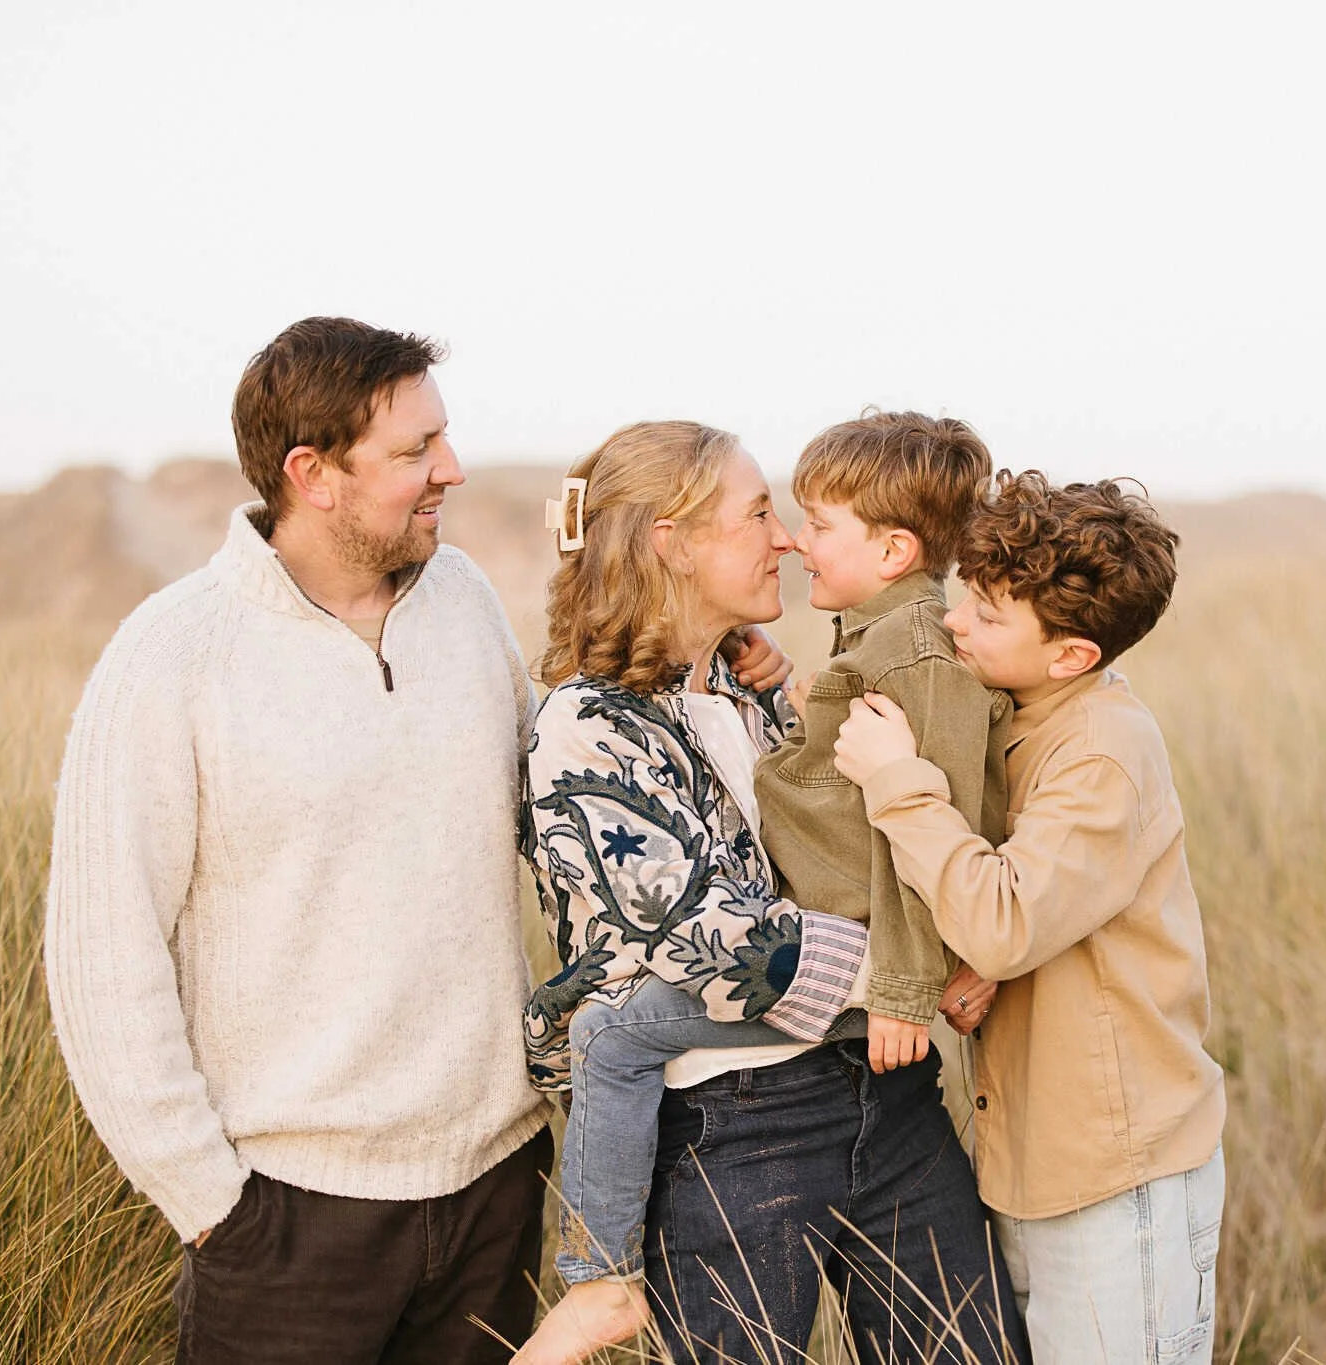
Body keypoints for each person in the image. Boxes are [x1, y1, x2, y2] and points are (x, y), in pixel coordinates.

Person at [41, 317, 788, 1364]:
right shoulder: (172, 656)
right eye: (414, 453)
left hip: (494, 1185)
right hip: (289, 1220)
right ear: (314, 474)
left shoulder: (466, 600)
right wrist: (210, 1202)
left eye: (442, 438)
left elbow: (577, 799)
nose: (452, 469)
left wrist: (718, 667)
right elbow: (102, 957)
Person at [514, 420, 1029, 1365]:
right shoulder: (586, 726)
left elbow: (848, 841)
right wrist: (946, 961)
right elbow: (718, 947)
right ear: (672, 542)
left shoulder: (758, 686)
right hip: (738, 1125)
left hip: (888, 1090)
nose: (786, 538)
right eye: (757, 514)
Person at [833, 471, 1229, 1365]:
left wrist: (896, 778)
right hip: (1033, 1165)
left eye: (989, 613)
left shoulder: (1102, 748)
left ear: (1071, 656)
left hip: (1114, 1178)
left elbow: (1007, 918)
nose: (954, 620)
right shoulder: (1016, 712)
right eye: (966, 591)